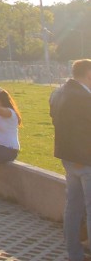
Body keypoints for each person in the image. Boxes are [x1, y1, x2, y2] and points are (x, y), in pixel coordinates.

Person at [50, 59, 91, 261]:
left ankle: (74, 253)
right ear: (88, 73)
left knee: (73, 207)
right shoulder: (83, 97)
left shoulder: (59, 93)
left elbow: (56, 121)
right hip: (86, 160)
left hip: (68, 158)